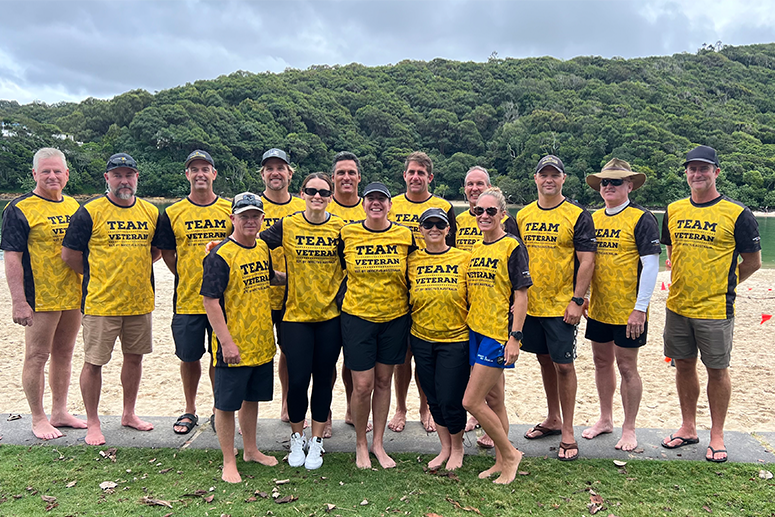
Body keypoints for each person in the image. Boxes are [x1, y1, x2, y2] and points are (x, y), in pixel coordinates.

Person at [661, 145, 761, 463]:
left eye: (704, 168)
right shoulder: (674, 210)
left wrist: (724, 284)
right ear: (686, 173)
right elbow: (670, 254)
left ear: (716, 172)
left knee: (717, 370)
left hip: (716, 308)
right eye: (692, 169)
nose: (697, 174)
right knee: (683, 365)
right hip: (678, 305)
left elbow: (753, 262)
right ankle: (688, 427)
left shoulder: (737, 214)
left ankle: (717, 434)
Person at [61, 153, 160, 446]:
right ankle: (93, 423)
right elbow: (70, 255)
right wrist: (100, 275)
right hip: (100, 303)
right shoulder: (89, 212)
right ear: (107, 178)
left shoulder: (151, 212)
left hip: (140, 302)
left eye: (129, 175)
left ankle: (129, 413)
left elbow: (155, 252)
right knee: (94, 363)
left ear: (137, 178)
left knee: (134, 359)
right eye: (117, 175)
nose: (124, 181)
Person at [260, 173, 345, 470]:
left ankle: (317, 440)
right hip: (294, 315)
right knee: (297, 381)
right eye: (311, 191)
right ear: (302, 193)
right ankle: (297, 437)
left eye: (323, 192)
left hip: (329, 317)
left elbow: (353, 266)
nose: (317, 196)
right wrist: (277, 277)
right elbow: (257, 245)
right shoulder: (288, 224)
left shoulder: (340, 228)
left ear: (331, 195)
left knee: (323, 379)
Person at [1, 147, 86, 440]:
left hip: (72, 294)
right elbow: (12, 258)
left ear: (66, 175)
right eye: (45, 171)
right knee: (37, 356)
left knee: (64, 354)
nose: (52, 176)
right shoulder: (19, 209)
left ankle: (60, 411)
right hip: (40, 298)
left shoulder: (75, 206)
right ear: (35, 174)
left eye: (57, 171)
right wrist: (18, 301)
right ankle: (38, 418)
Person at [516, 155, 596, 461]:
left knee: (564, 365)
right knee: (544, 360)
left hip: (562, 305)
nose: (548, 179)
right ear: (535, 179)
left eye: (554, 175)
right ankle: (552, 418)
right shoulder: (522, 215)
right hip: (531, 304)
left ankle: (568, 431)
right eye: (543, 175)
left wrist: (578, 299)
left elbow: (587, 260)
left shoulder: (577, 215)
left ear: (563, 179)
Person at [201, 192, 284, 483]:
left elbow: (267, 275)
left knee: (251, 399)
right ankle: (228, 460)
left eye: (255, 216)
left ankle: (251, 450)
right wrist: (226, 342)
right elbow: (210, 301)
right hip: (232, 344)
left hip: (261, 341)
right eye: (244, 216)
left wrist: (291, 276)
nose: (250, 220)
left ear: (262, 218)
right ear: (233, 218)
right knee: (225, 404)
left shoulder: (262, 247)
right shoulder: (219, 255)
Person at [581, 159, 661, 451]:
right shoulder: (592, 218)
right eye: (605, 182)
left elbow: (651, 266)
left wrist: (641, 307)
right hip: (599, 307)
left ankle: (629, 427)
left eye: (616, 182)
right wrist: (585, 294)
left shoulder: (642, 218)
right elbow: (588, 262)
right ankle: (605, 419)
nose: (609, 186)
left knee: (627, 366)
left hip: (630, 310)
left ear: (630, 185)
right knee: (601, 363)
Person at [338, 182, 415, 469]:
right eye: (371, 199)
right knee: (362, 385)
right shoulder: (348, 233)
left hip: (394, 317)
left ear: (389, 204)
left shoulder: (404, 235)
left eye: (382, 199)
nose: (376, 203)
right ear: (363, 203)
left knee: (384, 381)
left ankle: (378, 444)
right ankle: (360, 443)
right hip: (358, 317)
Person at [155, 150, 232, 434]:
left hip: (224, 299)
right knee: (189, 356)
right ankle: (190, 409)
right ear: (187, 175)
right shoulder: (173, 212)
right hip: (187, 299)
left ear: (214, 174)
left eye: (205, 168)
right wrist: (188, 274)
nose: (200, 174)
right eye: (194, 169)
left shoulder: (229, 209)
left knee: (219, 356)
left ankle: (218, 410)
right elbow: (167, 253)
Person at [463, 187, 532, 484]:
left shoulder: (512, 247)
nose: (485, 215)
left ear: (503, 214)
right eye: (480, 210)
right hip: (475, 330)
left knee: (471, 402)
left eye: (491, 211)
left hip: (497, 334)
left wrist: (514, 337)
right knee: (495, 401)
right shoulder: (477, 249)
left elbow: (522, 295)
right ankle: (500, 461)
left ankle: (511, 453)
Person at [387, 152, 457, 433]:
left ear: (430, 177)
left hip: (434, 284)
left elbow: (452, 245)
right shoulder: (392, 205)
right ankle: (401, 407)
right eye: (411, 172)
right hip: (398, 287)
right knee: (403, 357)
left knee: (426, 354)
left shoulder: (443, 206)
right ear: (404, 176)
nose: (415, 177)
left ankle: (425, 408)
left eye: (421, 173)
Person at [454, 165, 518, 446]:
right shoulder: (463, 227)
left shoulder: (508, 236)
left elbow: (517, 279)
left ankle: (502, 446)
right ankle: (489, 429)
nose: (484, 215)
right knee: (486, 388)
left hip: (497, 322)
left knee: (487, 393)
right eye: (469, 184)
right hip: (472, 318)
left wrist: (515, 331)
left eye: (480, 183)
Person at [409, 208, 471, 471]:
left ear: (448, 229)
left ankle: (458, 448)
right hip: (421, 337)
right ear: (420, 229)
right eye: (428, 224)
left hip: (455, 338)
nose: (434, 229)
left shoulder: (464, 258)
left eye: (440, 224)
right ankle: (444, 447)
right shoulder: (412, 260)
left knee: (450, 398)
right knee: (432, 397)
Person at [258, 148, 305, 425]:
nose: (275, 173)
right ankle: (242, 409)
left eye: (281, 167)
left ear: (290, 172)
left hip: (293, 296)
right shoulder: (252, 205)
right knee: (256, 350)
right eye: (269, 168)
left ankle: (288, 404)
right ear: (263, 173)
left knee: (290, 353)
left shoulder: (302, 207)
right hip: (258, 293)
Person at [327, 152, 368, 432]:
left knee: (353, 361)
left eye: (351, 173)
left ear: (358, 178)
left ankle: (352, 410)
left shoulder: (368, 209)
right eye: (341, 173)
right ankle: (324, 413)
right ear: (332, 179)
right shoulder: (320, 205)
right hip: (324, 297)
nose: (346, 177)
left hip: (359, 298)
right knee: (328, 360)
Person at [456, 166, 518, 252]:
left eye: (479, 184)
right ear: (465, 188)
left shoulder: (504, 219)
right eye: (470, 184)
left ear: (489, 187)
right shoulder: (459, 220)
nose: (474, 188)